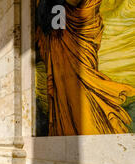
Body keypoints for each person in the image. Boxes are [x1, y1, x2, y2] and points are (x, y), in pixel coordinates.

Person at [36, 0, 135, 135]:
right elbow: (55, 25)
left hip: (75, 42)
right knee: (69, 87)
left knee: (79, 86)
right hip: (63, 41)